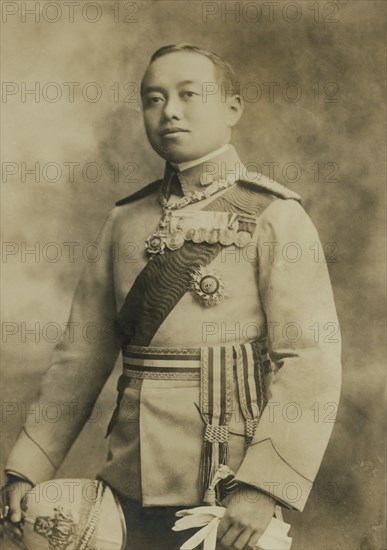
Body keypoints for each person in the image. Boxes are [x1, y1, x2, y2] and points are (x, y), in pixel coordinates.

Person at [1, 44, 341, 550]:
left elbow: (310, 361)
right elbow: (80, 358)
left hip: (227, 484)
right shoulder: (125, 220)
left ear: (232, 109)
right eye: (153, 99)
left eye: (189, 94)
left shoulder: (274, 214)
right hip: (129, 476)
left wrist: (264, 485)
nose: (170, 111)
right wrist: (27, 465)